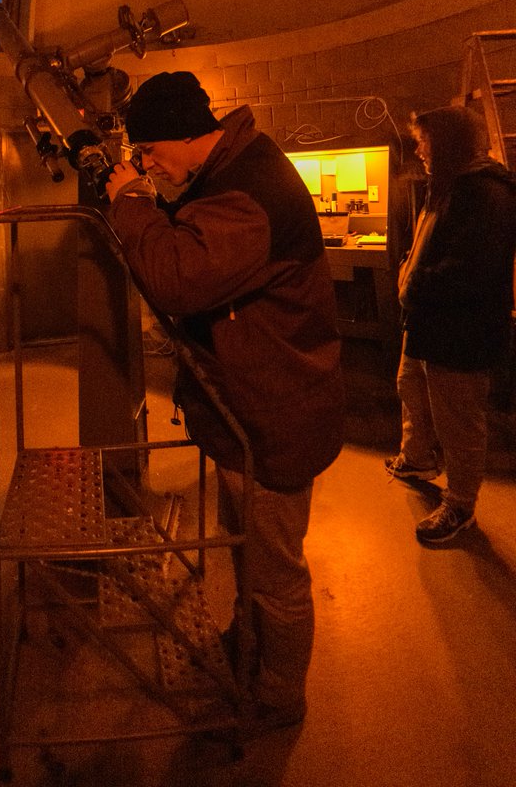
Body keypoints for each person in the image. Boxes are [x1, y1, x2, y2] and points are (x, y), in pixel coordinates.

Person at [105, 71, 344, 733]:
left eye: (151, 151)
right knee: (252, 552)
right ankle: (251, 643)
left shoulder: (248, 192)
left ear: (187, 134)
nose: (150, 165)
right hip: (257, 406)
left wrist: (130, 201)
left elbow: (181, 276)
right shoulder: (231, 171)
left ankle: (279, 695)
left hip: (277, 414)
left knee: (276, 572)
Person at [385, 106, 516, 545]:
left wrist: (414, 283)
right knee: (412, 388)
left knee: (459, 420)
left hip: (460, 331)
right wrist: (411, 269)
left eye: (425, 140)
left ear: (449, 143)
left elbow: (470, 272)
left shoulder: (485, 194)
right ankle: (417, 458)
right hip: (428, 321)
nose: (419, 149)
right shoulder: (449, 186)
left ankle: (460, 504)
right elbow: (430, 243)